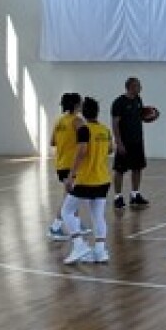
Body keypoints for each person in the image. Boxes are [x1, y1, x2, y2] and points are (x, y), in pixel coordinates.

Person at [61, 97, 113, 265]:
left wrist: (71, 175)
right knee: (98, 215)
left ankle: (78, 245)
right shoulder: (105, 130)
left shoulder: (84, 130)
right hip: (103, 179)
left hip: (86, 180)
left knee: (66, 211)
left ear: (83, 112)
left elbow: (82, 151)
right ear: (97, 112)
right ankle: (100, 251)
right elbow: (111, 149)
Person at [48, 91, 87, 240]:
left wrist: (65, 140)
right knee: (69, 197)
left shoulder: (59, 121)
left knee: (73, 195)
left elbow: (52, 142)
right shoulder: (77, 121)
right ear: (76, 104)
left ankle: (75, 224)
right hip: (71, 164)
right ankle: (55, 227)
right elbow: (84, 142)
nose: (83, 104)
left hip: (61, 163)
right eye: (81, 102)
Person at [110, 76, 150, 209]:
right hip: (124, 142)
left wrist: (149, 116)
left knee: (137, 168)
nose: (140, 88)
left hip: (137, 141)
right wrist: (119, 142)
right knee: (119, 170)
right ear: (131, 87)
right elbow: (115, 124)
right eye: (138, 85)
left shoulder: (138, 100)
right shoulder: (119, 103)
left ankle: (135, 195)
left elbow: (140, 116)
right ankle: (118, 197)